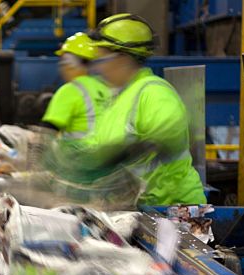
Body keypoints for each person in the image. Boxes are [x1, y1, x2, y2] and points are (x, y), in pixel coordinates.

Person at [78, 14, 207, 205]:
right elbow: (97, 145)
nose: (97, 69)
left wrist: (120, 154)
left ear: (122, 58)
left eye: (101, 60)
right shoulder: (117, 98)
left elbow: (167, 137)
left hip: (174, 212)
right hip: (140, 208)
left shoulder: (154, 92)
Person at [40, 32, 111, 141]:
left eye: (63, 62)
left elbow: (47, 132)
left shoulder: (70, 90)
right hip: (107, 154)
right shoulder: (106, 88)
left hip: (78, 155)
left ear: (69, 63)